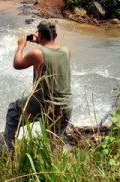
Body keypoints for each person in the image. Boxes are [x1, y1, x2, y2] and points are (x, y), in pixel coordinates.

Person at [4, 20, 72, 150]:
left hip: (43, 102)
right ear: (56, 35)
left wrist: (21, 46)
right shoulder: (67, 51)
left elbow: (17, 64)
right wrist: (42, 42)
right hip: (66, 104)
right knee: (55, 137)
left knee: (13, 112)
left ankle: (10, 153)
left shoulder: (36, 53)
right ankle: (54, 160)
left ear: (39, 35)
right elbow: (54, 52)